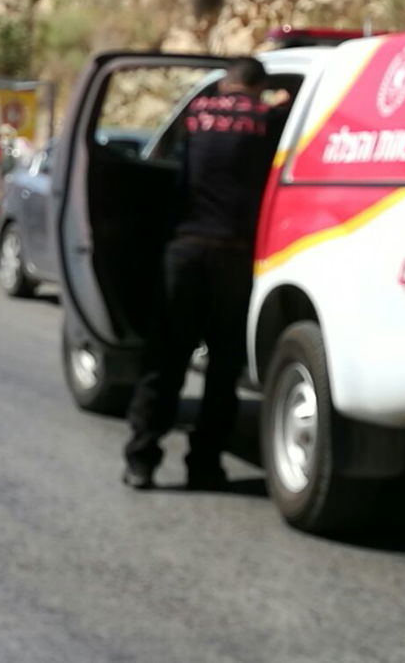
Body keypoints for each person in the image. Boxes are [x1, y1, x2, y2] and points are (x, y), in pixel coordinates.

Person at [122, 57, 289, 491]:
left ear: (227, 83)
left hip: (185, 251)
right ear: (259, 86)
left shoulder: (197, 113)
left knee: (165, 360)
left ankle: (141, 459)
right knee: (223, 368)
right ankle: (205, 464)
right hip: (235, 258)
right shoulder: (269, 118)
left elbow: (161, 161)